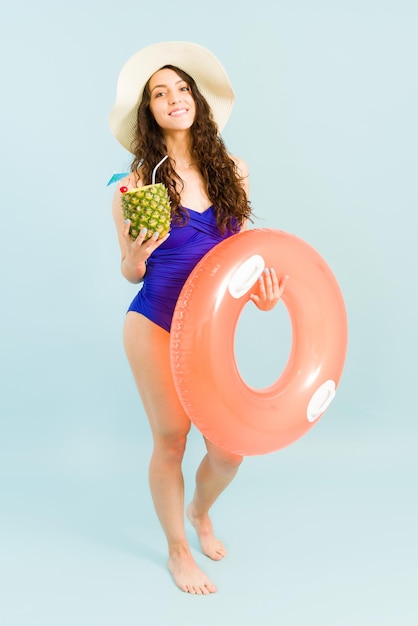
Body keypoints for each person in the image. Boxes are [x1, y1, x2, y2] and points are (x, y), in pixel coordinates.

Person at [109, 41, 286, 595]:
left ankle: (200, 510)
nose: (173, 98)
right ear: (149, 111)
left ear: (197, 100)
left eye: (181, 88)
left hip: (207, 328)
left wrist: (263, 296)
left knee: (229, 449)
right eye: (159, 93)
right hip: (154, 321)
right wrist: (138, 252)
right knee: (172, 439)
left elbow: (240, 259)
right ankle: (178, 550)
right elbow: (129, 271)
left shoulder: (234, 170)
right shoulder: (133, 185)